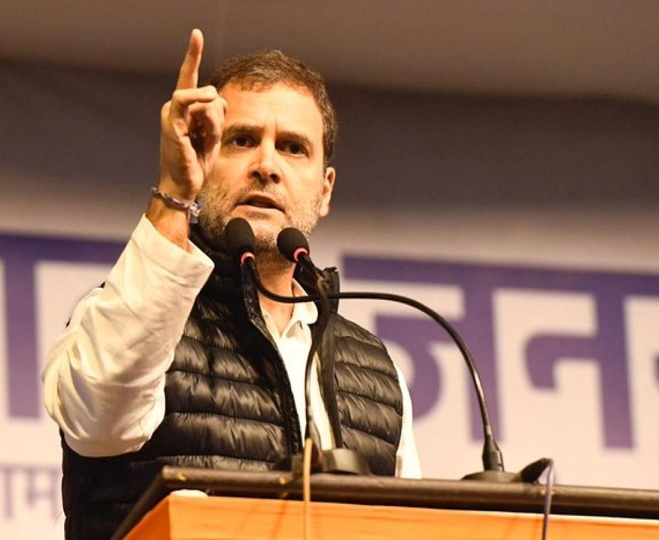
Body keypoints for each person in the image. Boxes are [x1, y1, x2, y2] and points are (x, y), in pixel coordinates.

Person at [41, 29, 420, 539]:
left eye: (293, 148)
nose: (266, 166)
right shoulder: (127, 315)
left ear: (325, 189)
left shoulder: (376, 372)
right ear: (203, 156)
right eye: (242, 140)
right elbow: (98, 420)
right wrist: (174, 193)